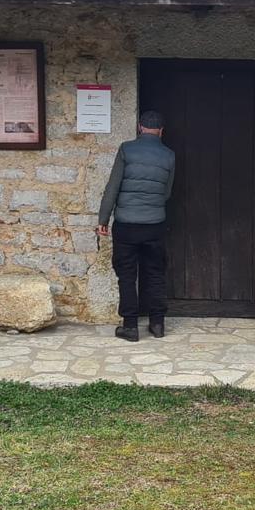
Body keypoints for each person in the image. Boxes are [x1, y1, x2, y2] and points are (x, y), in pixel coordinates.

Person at [96, 110, 175, 342]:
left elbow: (112, 188)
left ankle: (130, 326)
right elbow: (167, 192)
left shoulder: (126, 149)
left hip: (126, 225)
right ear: (161, 131)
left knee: (127, 275)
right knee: (155, 273)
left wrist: (103, 220)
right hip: (154, 224)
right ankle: (157, 323)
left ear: (140, 127)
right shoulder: (169, 155)